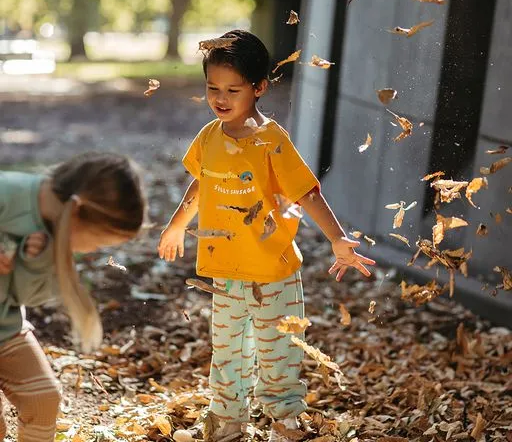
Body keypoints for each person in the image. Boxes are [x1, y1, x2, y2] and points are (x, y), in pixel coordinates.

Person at [158, 29, 375, 441]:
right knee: (227, 354)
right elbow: (199, 184)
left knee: (279, 351)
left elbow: (307, 192)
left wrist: (337, 237)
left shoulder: (271, 141)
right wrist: (176, 226)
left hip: (273, 273)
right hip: (224, 270)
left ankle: (284, 422)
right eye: (212, 89)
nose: (220, 99)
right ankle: (226, 421)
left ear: (259, 88)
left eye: (233, 90)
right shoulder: (209, 137)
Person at [0, 152, 146, 442]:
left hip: (6, 329)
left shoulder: (55, 231)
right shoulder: (8, 192)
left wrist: (34, 263)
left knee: (44, 400)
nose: (92, 251)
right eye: (99, 241)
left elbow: (26, 295)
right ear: (78, 212)